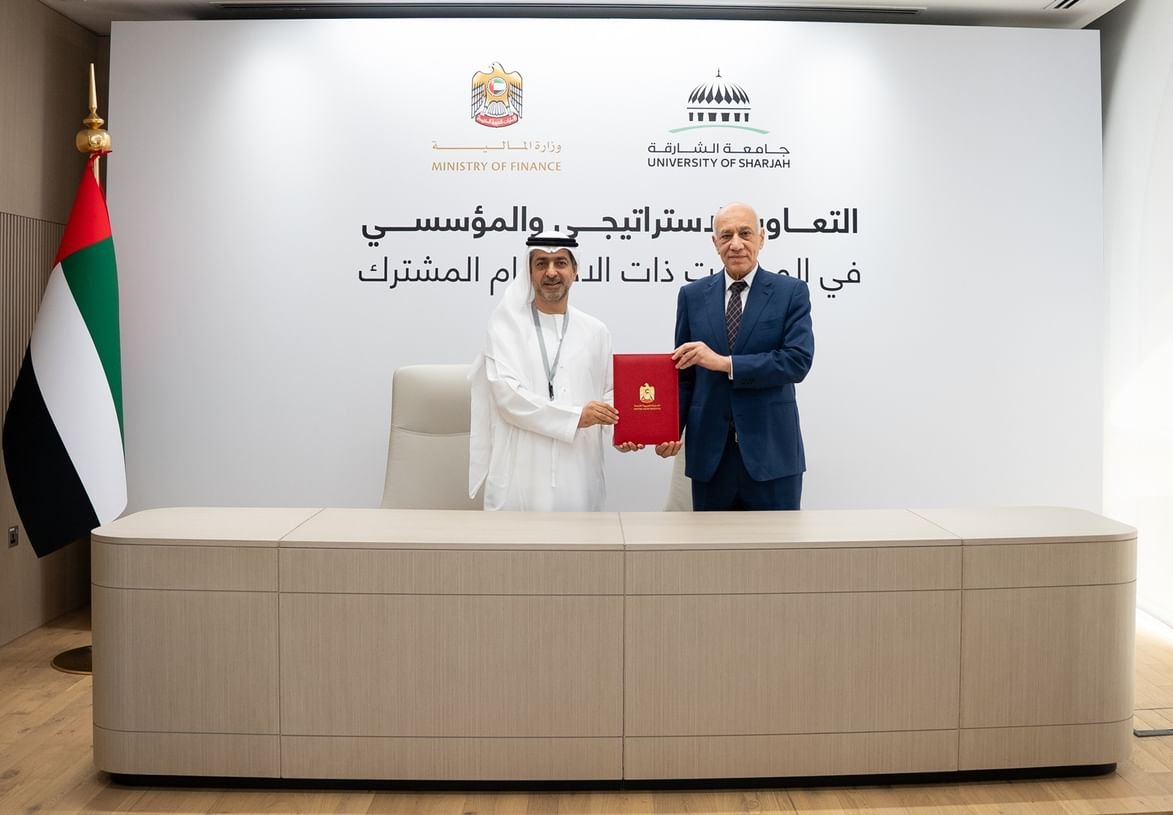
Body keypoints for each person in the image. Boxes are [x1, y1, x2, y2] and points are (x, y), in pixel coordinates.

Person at [656, 202, 814, 510]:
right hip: (710, 459)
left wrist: (725, 364)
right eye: (726, 235)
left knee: (776, 542)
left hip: (772, 455)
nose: (736, 244)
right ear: (715, 242)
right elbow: (684, 377)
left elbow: (796, 362)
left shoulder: (791, 292)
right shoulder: (692, 296)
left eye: (745, 233)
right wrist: (667, 430)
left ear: (761, 238)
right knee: (711, 543)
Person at [469, 232, 640, 511]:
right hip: (521, 477)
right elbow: (508, 397)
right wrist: (576, 417)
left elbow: (610, 394)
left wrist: (624, 432)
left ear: (575, 271)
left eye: (560, 262)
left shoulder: (595, 331)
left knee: (581, 537)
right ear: (529, 272)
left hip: (579, 475)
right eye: (541, 264)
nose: (551, 272)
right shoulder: (505, 328)